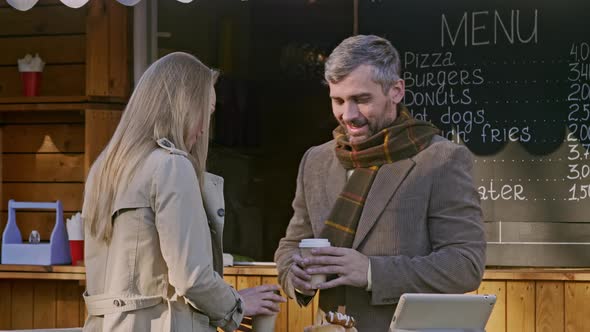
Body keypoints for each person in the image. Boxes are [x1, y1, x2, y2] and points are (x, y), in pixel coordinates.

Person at [274, 35, 486, 330]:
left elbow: (466, 265)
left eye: (361, 100)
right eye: (338, 100)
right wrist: (294, 275)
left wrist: (372, 271)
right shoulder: (316, 160)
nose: (348, 115)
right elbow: (292, 245)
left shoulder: (442, 159)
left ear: (396, 91)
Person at [82, 52, 285, 332]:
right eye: (206, 113)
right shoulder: (171, 166)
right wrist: (236, 304)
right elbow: (192, 278)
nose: (204, 130)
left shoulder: (104, 168)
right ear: (182, 108)